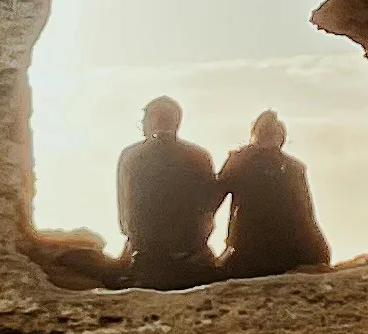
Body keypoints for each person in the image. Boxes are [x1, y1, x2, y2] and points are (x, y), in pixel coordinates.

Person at [115, 95, 220, 287]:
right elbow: (208, 209)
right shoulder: (199, 156)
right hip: (192, 262)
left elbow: (126, 217)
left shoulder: (131, 156)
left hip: (147, 265)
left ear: (152, 121)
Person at [215, 109, 331, 279]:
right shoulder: (294, 167)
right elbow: (307, 216)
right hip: (296, 254)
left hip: (250, 257)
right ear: (281, 139)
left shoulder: (239, 162)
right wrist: (321, 254)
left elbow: (212, 201)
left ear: (255, 135)